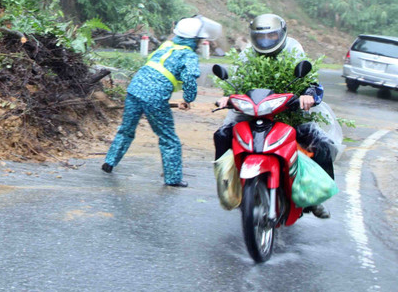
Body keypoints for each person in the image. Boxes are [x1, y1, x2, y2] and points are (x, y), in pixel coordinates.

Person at [213, 13, 335, 219]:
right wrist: (227, 97)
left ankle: (316, 198)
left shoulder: (293, 51)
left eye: (271, 36)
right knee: (222, 135)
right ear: (253, 37)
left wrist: (308, 95)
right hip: (252, 112)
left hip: (289, 111)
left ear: (282, 34)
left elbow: (313, 84)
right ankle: (230, 186)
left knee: (320, 143)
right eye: (261, 37)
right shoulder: (246, 56)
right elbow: (236, 82)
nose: (266, 41)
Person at [102, 15, 222, 187]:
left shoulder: (166, 46)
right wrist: (188, 98)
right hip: (155, 97)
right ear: (195, 40)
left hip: (135, 89)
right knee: (168, 138)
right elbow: (189, 78)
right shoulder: (188, 55)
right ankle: (173, 178)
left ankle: (110, 162)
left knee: (126, 130)